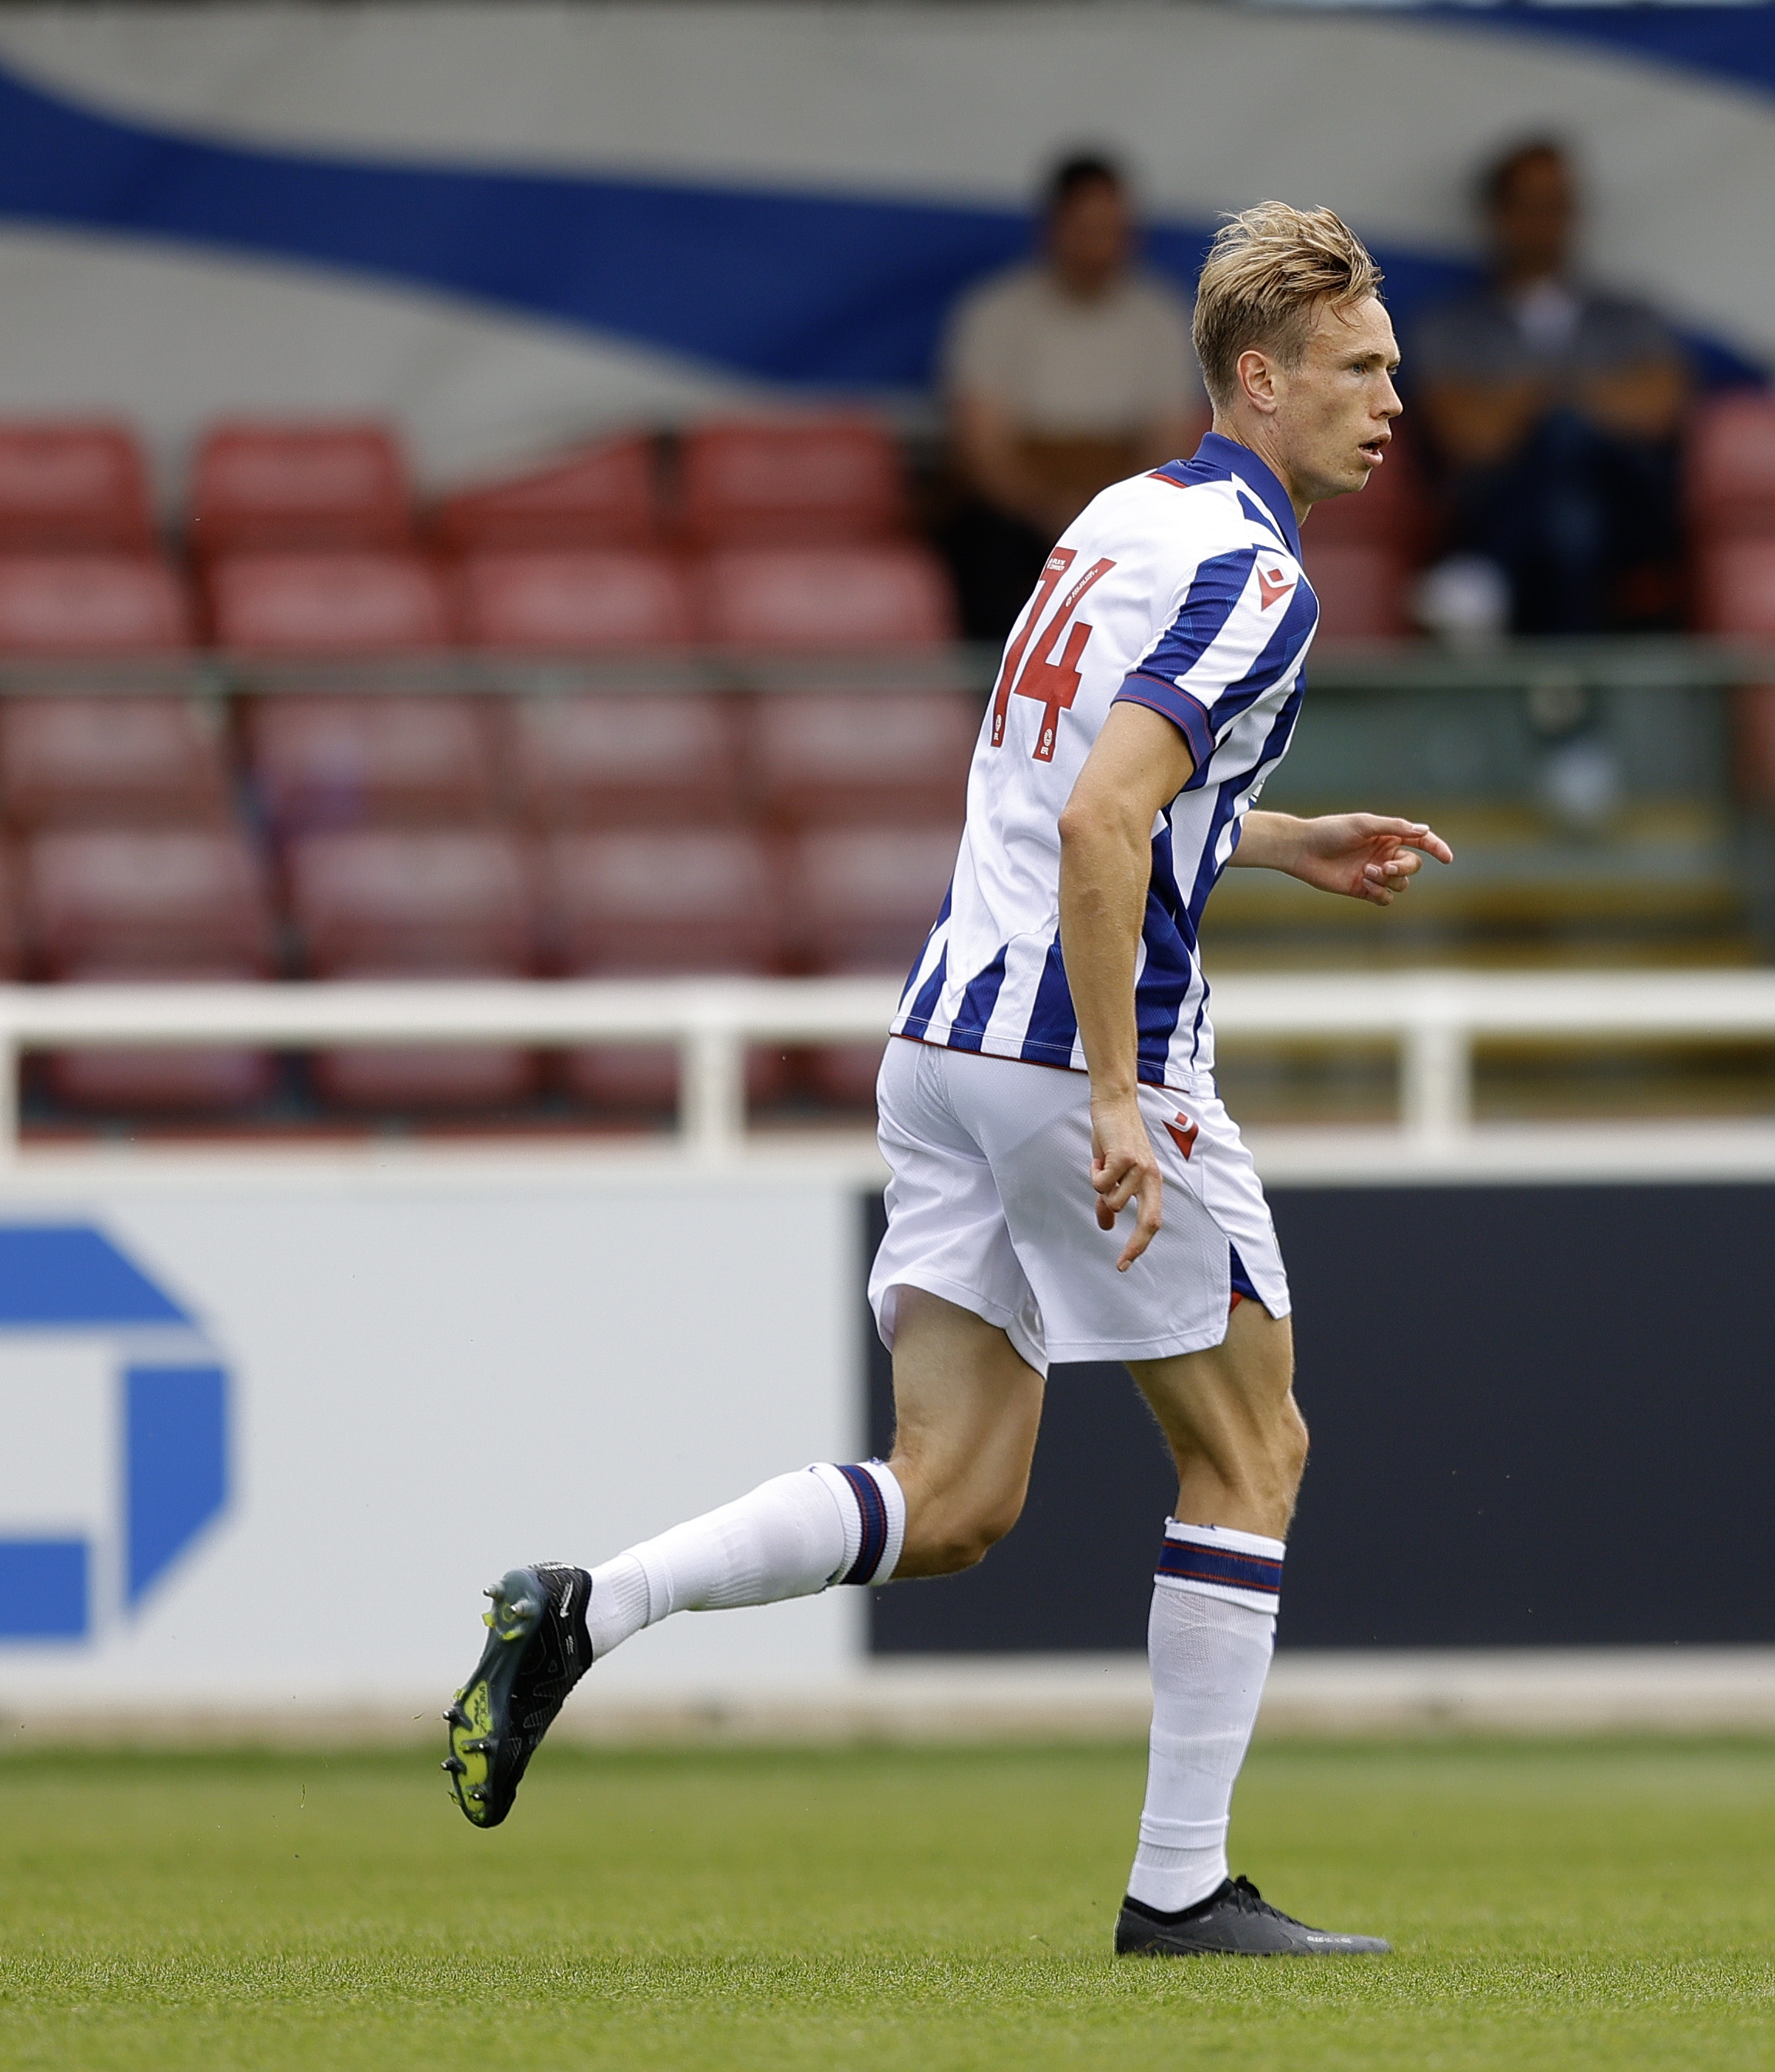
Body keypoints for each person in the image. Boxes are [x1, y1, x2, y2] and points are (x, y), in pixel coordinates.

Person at [447, 201, 1450, 1960]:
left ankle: (590, 1607)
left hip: (942, 1047)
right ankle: (1181, 1890)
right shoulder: (1263, 575)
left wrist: (1276, 840)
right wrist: (1127, 1099)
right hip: (1076, 1056)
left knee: (956, 1495)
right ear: (1260, 374)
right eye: (1361, 368)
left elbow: (1096, 777)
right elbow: (1099, 815)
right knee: (1252, 1448)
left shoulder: (1118, 519)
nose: (1394, 397)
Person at [1413, 139, 1691, 635]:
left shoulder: (1631, 317)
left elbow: (1657, 413)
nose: (1546, 222)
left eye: (1559, 206)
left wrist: (1532, 403)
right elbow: (1468, 439)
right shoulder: (1448, 328)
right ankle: (1566, 692)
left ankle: (1485, 575)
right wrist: (1591, 397)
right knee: (1571, 523)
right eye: (1530, 206)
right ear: (1497, 214)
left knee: (1564, 439)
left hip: (1628, 514)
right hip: (1512, 508)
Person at [935, 153, 1206, 641]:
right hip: (1018, 513)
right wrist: (1055, 514)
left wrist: (1111, 517)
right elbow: (983, 453)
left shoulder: (1161, 317)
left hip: (1126, 505)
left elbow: (1170, 446)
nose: (1100, 247)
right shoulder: (994, 313)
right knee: (984, 545)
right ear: (1053, 228)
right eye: (1086, 229)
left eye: (1113, 231)